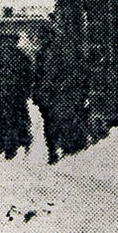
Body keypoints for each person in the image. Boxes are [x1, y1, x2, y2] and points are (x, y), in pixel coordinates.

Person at [33, 23, 87, 163]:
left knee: (57, 123)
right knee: (55, 123)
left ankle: (60, 151)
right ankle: (58, 151)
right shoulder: (47, 53)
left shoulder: (54, 52)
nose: (40, 39)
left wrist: (42, 91)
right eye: (40, 37)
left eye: (42, 36)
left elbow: (51, 75)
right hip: (54, 96)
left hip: (59, 95)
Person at [0, 31, 34, 158]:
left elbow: (29, 80)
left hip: (14, 101)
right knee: (4, 126)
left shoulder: (22, 60)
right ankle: (7, 149)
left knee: (13, 125)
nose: (6, 46)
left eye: (10, 42)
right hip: (3, 102)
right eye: (4, 43)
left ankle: (13, 150)